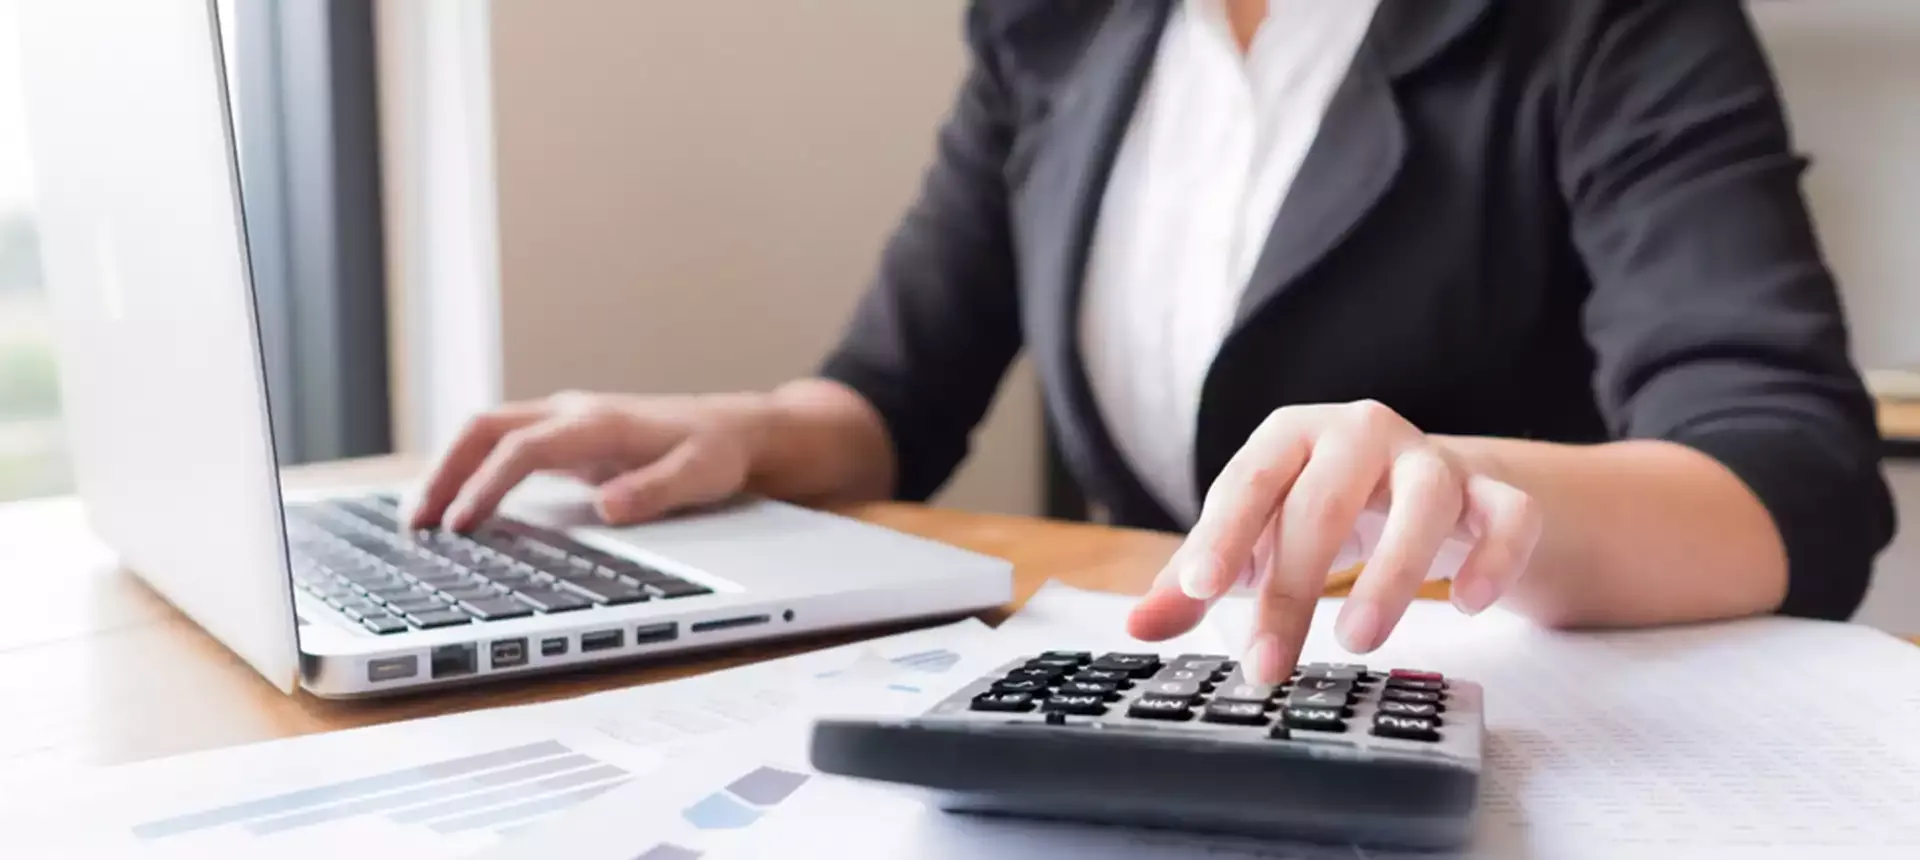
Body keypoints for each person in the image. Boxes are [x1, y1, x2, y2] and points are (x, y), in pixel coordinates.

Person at [409, 0, 1895, 686]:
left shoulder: (1611, 26)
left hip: (1491, 716)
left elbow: (1790, 475)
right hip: (1153, 690)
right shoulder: (1051, 32)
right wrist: (742, 427)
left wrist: (1458, 484)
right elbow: (891, 396)